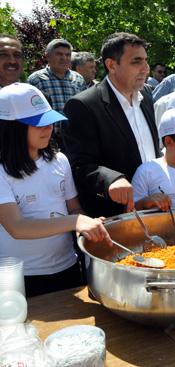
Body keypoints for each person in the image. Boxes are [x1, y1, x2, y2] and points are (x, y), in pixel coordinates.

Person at [0, 83, 109, 297]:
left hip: (67, 267)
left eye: (49, 121)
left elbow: (74, 208)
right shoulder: (2, 171)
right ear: (11, 127)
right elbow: (16, 227)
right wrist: (74, 222)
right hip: (23, 277)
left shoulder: (59, 161)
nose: (48, 128)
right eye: (38, 124)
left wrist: (87, 226)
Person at [63, 32, 160, 218]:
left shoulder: (147, 97)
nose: (146, 68)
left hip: (154, 208)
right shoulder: (83, 105)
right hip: (113, 216)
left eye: (146, 61)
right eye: (136, 61)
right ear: (111, 65)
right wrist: (111, 179)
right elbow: (79, 165)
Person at [27, 39, 86, 113]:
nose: (64, 58)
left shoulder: (78, 79)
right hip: (49, 124)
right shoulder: (36, 80)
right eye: (59, 54)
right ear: (47, 56)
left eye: (68, 55)